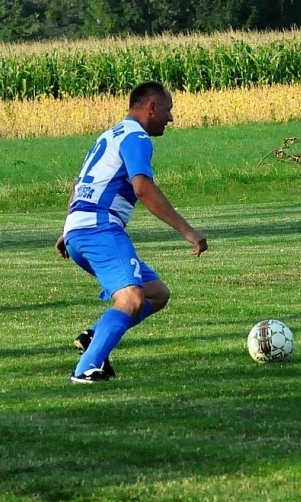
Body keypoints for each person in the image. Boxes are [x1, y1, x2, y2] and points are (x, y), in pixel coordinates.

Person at [57, 81, 208, 383]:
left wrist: (68, 228)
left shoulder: (111, 134)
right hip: (100, 227)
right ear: (151, 107)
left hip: (80, 229)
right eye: (168, 109)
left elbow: (80, 184)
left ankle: (97, 336)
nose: (171, 118)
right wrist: (187, 230)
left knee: (157, 294)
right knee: (133, 300)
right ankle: (86, 369)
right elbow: (142, 187)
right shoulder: (137, 138)